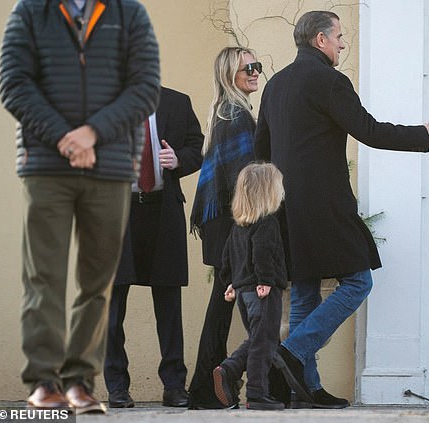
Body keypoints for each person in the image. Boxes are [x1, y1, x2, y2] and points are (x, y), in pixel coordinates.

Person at [254, 10, 429, 409]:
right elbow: (368, 130)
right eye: (339, 37)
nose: (343, 44)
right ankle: (294, 351)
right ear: (320, 40)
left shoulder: (275, 85)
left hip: (284, 205)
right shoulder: (330, 81)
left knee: (306, 294)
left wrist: (269, 205)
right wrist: (423, 136)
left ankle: (307, 390)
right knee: (358, 281)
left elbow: (261, 150)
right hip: (324, 204)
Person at [0, 0, 160, 414]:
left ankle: (78, 382)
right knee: (43, 277)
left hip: (110, 165)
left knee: (98, 282)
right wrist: (64, 139)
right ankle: (43, 381)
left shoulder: (130, 13)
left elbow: (144, 88)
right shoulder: (30, 12)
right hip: (46, 165)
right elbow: (14, 84)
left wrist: (91, 134)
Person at [103, 87, 204, 408]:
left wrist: (178, 160)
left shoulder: (178, 101)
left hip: (164, 211)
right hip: (117, 212)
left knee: (169, 303)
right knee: (112, 304)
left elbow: (196, 147)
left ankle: (174, 386)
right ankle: (117, 387)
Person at [188, 47, 261, 409]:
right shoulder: (236, 115)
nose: (254, 72)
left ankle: (207, 386)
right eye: (247, 67)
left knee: (224, 304)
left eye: (256, 66)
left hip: (222, 222)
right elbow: (243, 180)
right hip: (231, 223)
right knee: (231, 305)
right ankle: (209, 387)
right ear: (229, 75)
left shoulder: (226, 112)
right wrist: (252, 228)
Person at [212, 162, 288, 411]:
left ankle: (229, 369)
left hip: (244, 291)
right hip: (262, 290)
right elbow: (263, 253)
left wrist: (230, 283)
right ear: (269, 193)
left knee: (259, 338)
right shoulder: (267, 223)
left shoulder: (238, 227)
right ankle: (256, 393)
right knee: (264, 343)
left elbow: (227, 258)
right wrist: (266, 280)